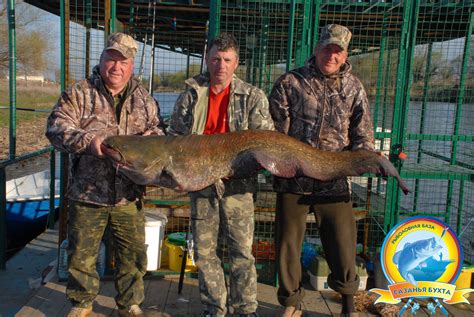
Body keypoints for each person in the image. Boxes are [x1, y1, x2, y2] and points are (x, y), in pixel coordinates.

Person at [46, 32, 166, 317]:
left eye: (123, 61)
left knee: (133, 255)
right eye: (111, 59)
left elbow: (160, 134)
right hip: (87, 193)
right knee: (81, 255)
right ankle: (82, 303)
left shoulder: (145, 100)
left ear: (131, 66)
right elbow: (55, 128)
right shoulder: (78, 93)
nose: (116, 66)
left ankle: (129, 303)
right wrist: (91, 143)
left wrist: (149, 144)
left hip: (128, 195)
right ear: (101, 60)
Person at [269, 24, 375, 317]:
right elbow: (274, 132)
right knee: (288, 243)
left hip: (335, 179)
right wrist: (281, 165)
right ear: (316, 49)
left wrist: (364, 157)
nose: (331, 55)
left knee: (342, 242)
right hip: (293, 177)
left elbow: (363, 134)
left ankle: (349, 304)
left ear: (345, 55)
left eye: (337, 51)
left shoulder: (354, 87)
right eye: (327, 48)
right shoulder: (290, 82)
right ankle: (292, 303)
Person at [168, 32, 274, 317]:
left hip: (239, 186)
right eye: (215, 59)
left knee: (242, 252)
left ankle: (245, 309)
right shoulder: (191, 93)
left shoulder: (253, 96)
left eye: (227, 60)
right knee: (205, 252)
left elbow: (265, 142)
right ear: (207, 58)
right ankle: (214, 308)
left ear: (236, 62)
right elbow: (175, 138)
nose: (221, 65)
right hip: (201, 183)